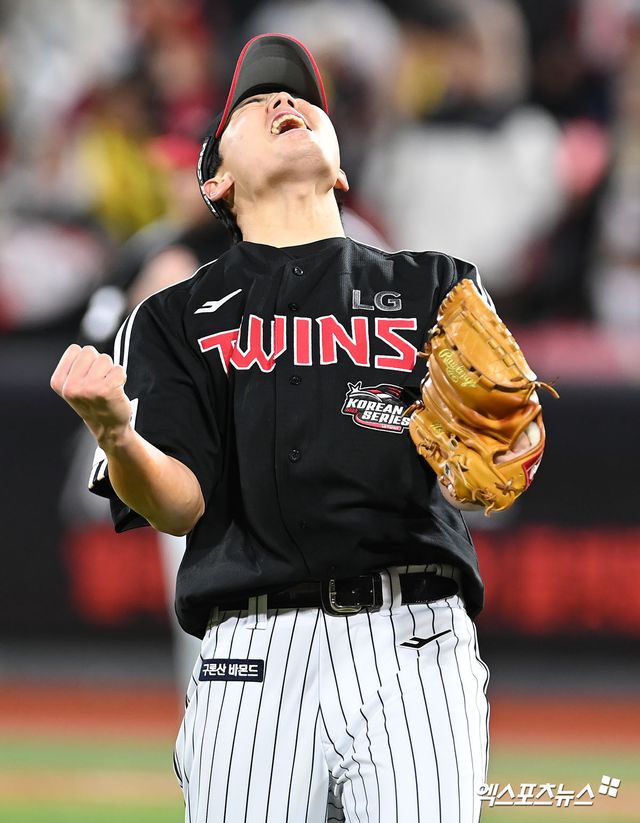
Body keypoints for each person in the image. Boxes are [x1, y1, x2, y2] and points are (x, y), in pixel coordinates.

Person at [50, 33, 541, 823]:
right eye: (255, 101)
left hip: (412, 643)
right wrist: (117, 432)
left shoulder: (436, 287)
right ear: (218, 175)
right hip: (252, 655)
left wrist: (506, 455)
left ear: (341, 166)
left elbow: (493, 467)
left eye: (305, 100)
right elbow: (177, 505)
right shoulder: (175, 316)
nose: (286, 102)